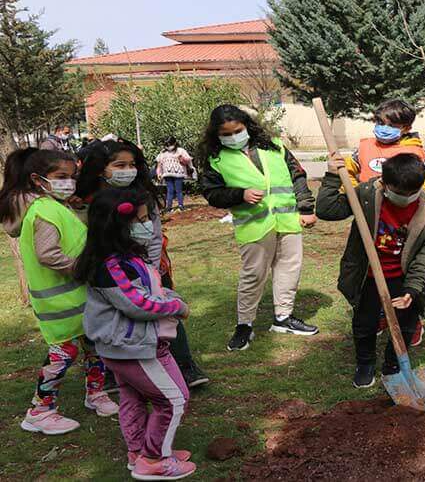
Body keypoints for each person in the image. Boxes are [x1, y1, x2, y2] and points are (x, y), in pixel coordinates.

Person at [75, 188, 196, 480]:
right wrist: (175, 305)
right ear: (117, 226)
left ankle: (140, 452)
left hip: (127, 347)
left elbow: (146, 289)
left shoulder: (126, 258)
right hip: (133, 347)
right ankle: (153, 460)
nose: (148, 226)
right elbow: (136, 303)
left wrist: (166, 292)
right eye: (141, 220)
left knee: (133, 398)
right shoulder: (111, 265)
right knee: (174, 399)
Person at [0, 148, 118, 435]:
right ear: (38, 179)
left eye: (71, 176)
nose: (68, 182)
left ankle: (96, 394)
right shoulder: (43, 210)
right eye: (60, 177)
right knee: (63, 353)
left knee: (94, 347)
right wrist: (84, 269)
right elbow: (49, 255)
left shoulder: (55, 205)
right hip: (60, 302)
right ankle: (39, 410)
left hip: (78, 298)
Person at [75, 140, 209, 388]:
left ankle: (183, 364)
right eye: (119, 165)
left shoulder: (143, 196)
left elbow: (154, 234)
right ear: (100, 169)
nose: (128, 169)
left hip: (150, 267)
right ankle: (113, 370)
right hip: (111, 271)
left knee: (162, 313)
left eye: (132, 164)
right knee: (114, 316)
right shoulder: (85, 202)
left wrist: (151, 268)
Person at [316, 153, 425, 388]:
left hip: (403, 278)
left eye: (411, 194)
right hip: (368, 276)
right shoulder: (366, 195)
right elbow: (327, 210)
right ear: (384, 184)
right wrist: (333, 175)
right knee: (365, 323)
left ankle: (394, 366)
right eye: (398, 193)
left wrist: (412, 289)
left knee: (405, 324)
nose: (405, 199)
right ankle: (365, 364)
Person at [199, 104, 319, 351]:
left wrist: (306, 208)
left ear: (247, 126)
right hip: (254, 226)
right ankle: (244, 324)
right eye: (226, 133)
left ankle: (283, 318)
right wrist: (239, 194)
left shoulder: (274, 145)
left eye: (238, 130)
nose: (233, 136)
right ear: (216, 134)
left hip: (287, 220)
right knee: (253, 275)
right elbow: (212, 194)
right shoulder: (216, 159)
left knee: (289, 269)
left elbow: (297, 175)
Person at [344, 99, 425, 346]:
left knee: (402, 269)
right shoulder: (363, 148)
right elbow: (349, 171)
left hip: (403, 217)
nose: (382, 128)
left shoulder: (415, 153)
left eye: (391, 124)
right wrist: (356, 195)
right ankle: (382, 315)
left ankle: (411, 320)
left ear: (405, 128)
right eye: (379, 122)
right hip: (373, 217)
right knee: (374, 271)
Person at [156, 136, 196, 213]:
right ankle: (169, 207)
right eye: (166, 145)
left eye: (170, 144)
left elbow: (188, 161)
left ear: (174, 143)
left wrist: (182, 159)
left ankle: (181, 205)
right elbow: (159, 165)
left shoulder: (181, 151)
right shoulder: (163, 153)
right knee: (170, 190)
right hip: (167, 174)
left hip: (179, 174)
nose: (169, 147)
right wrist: (159, 173)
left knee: (178, 190)